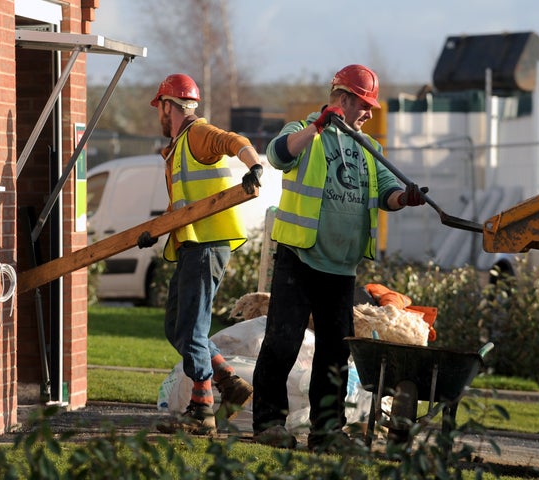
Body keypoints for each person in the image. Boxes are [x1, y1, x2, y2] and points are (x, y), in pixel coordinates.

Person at [251, 64, 428, 451]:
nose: (369, 113)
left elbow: (387, 193)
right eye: (364, 104)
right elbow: (277, 156)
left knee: (335, 352)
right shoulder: (304, 131)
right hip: (299, 257)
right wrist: (317, 127)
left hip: (341, 265)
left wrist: (406, 198)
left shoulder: (369, 148)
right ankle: (268, 424)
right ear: (343, 99)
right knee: (283, 342)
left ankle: (326, 431)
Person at [138, 73, 264, 435]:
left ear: (168, 105)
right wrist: (155, 231)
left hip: (208, 245)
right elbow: (183, 207)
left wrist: (253, 166)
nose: (159, 117)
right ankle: (228, 380)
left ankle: (202, 410)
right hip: (194, 244)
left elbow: (235, 140)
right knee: (177, 325)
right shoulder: (179, 148)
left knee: (192, 329)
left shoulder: (196, 134)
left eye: (160, 109)